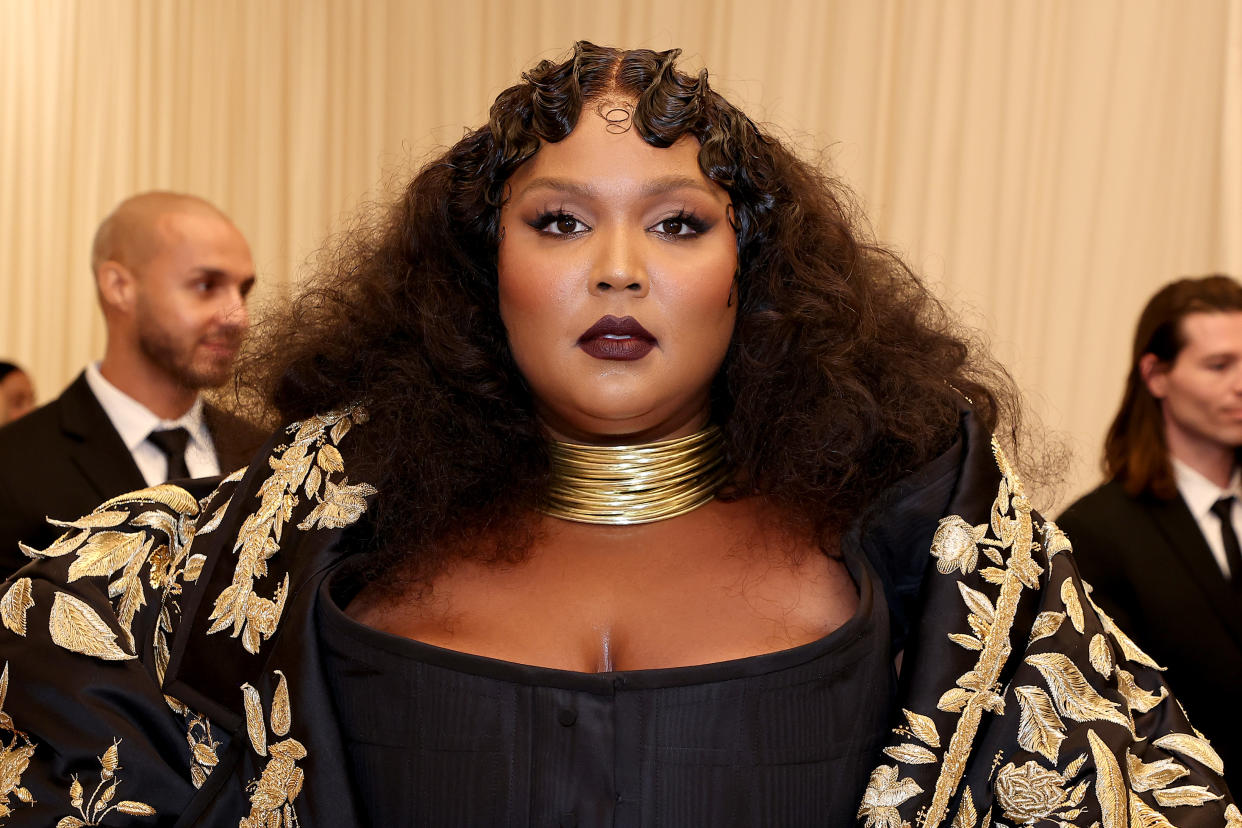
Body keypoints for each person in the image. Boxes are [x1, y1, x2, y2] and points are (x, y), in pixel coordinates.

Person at [0, 44, 1234, 827]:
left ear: (758, 275)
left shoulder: (953, 566)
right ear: (481, 272)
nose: (620, 271)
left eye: (680, 226)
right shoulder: (262, 562)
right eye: (558, 223)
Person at [0, 192, 266, 574]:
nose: (238, 317)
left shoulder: (265, 457)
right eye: (206, 286)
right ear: (119, 287)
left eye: (243, 291)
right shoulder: (13, 466)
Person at [1059, 274, 1242, 791]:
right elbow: (1115, 721)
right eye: (1218, 365)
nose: (1241, 382)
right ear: (1156, 375)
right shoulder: (1095, 533)